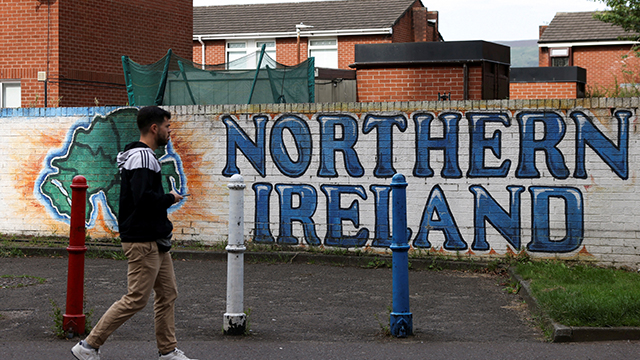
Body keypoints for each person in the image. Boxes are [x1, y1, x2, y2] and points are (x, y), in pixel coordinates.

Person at [72, 106, 196, 360]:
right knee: (136, 298)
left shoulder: (141, 156)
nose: (169, 132)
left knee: (167, 293)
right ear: (154, 128)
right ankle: (88, 346)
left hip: (154, 239)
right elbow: (143, 199)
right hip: (143, 240)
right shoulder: (142, 158)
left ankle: (168, 351)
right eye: (167, 127)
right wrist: (169, 198)